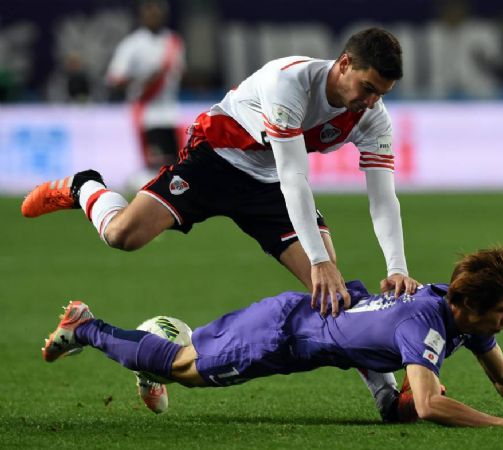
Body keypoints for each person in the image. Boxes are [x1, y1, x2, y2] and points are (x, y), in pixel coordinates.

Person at [22, 27, 419, 420]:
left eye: (381, 94)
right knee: (122, 235)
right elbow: (295, 177)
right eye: (367, 88)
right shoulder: (290, 83)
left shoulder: (372, 116)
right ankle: (84, 186)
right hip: (217, 158)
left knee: (332, 292)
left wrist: (396, 267)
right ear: (344, 64)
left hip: (269, 185)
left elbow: (383, 197)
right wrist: (318, 259)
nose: (371, 102)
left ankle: (387, 397)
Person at [41, 246, 503, 426]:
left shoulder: (460, 312)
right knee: (183, 371)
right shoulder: (426, 321)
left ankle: (385, 396)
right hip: (280, 335)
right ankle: (87, 326)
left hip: (328, 329)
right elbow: (433, 405)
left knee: (403, 402)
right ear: (469, 306)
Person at [106, 0, 185, 189]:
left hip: (170, 111)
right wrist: (143, 81)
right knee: (153, 165)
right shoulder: (133, 44)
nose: (153, 16)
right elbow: (115, 78)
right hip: (146, 112)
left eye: (157, 12)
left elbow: (180, 73)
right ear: (142, 15)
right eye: (149, 12)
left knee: (175, 163)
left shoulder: (173, 41)